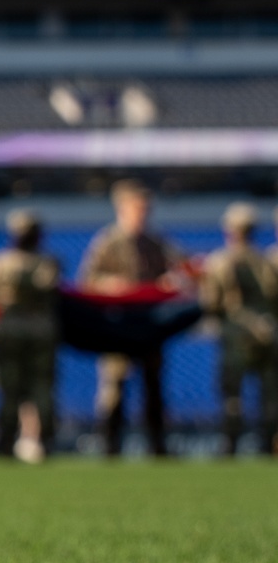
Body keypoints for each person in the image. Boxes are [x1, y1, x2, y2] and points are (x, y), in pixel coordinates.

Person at [79, 179, 180, 458]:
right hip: (118, 326)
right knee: (114, 387)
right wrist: (113, 285)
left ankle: (158, 445)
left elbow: (177, 270)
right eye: (138, 208)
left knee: (154, 387)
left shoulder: (155, 243)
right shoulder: (107, 243)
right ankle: (110, 445)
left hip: (149, 325)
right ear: (123, 209)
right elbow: (88, 281)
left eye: (146, 209)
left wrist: (170, 281)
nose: (142, 214)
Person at [0, 208, 63, 459]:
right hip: (39, 329)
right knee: (39, 387)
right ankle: (42, 439)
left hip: (10, 328)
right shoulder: (46, 262)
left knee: (11, 388)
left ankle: (7, 439)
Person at [202, 202, 278, 457]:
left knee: (232, 397)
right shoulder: (267, 262)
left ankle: (231, 446)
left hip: (236, 336)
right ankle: (270, 445)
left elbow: (211, 303)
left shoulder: (220, 262)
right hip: (270, 333)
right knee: (270, 397)